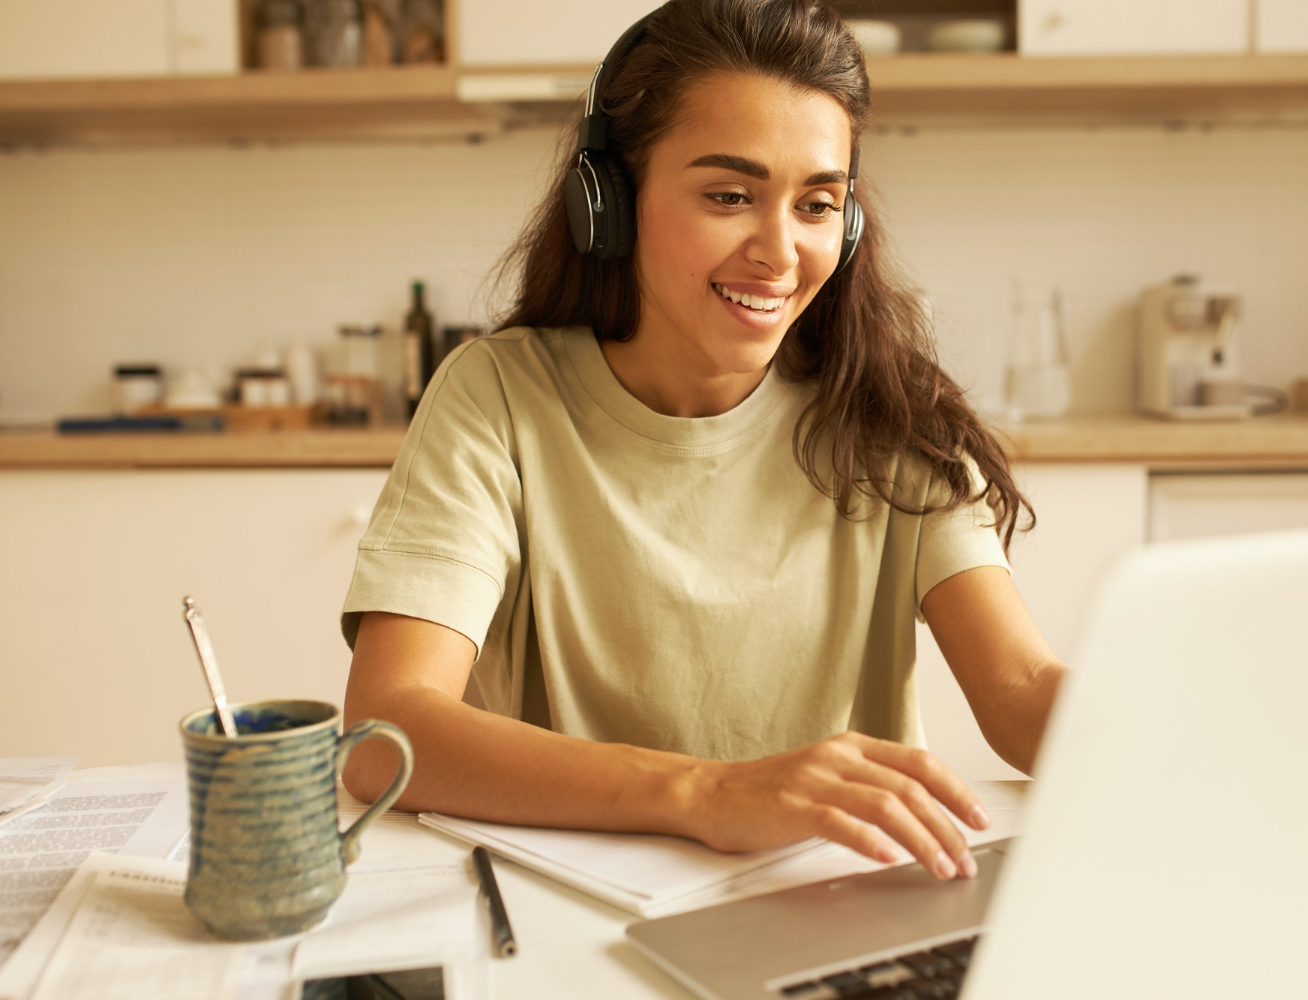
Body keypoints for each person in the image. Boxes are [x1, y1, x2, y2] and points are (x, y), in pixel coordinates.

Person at [341, 0, 1066, 884]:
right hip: (569, 911)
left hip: (833, 904)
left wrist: (1211, 714)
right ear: (608, 203)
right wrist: (707, 794)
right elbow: (386, 733)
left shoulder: (885, 413)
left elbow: (1021, 692)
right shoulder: (499, 398)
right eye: (730, 196)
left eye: (817, 204)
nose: (781, 251)